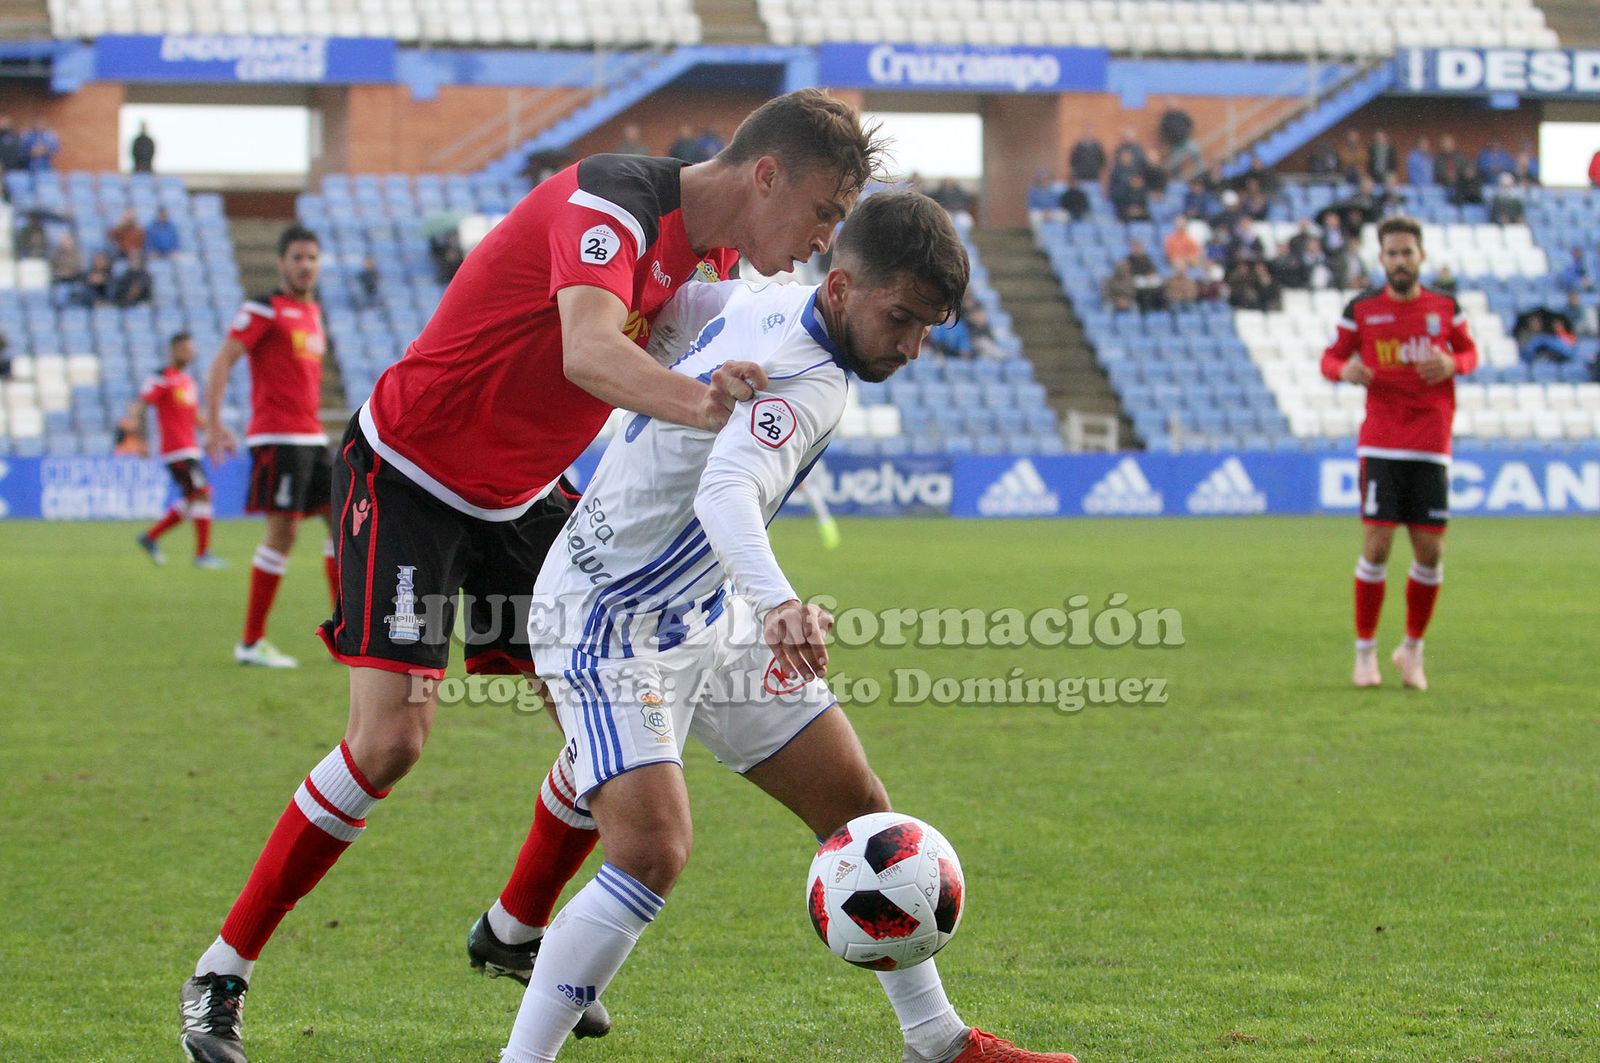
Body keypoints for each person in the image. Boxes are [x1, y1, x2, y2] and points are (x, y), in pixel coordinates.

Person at [177, 89, 886, 1063]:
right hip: (411, 474)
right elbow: (589, 349)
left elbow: (721, 333)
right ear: (766, 175)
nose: (818, 240)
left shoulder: (719, 262)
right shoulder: (612, 203)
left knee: (611, 745)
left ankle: (513, 928)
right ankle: (222, 969)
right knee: (387, 743)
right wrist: (698, 404)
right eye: (821, 213)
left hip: (521, 496)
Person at [494, 189, 1076, 1063]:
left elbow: (689, 305)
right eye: (902, 319)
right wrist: (778, 605)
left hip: (699, 608)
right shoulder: (803, 380)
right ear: (842, 288)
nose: (914, 347)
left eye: (931, 327)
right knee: (652, 848)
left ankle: (936, 1040)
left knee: (856, 804)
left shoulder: (768, 298)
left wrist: (655, 345)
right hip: (607, 615)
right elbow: (725, 490)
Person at [1320, 216, 1477, 691]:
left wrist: (1453, 362)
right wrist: (1343, 370)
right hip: (1382, 438)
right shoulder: (1361, 309)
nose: (1400, 261)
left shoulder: (1445, 308)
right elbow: (1329, 358)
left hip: (1431, 441)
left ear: (1421, 256)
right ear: (1381, 258)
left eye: (1407, 253)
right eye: (1392, 253)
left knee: (1430, 551)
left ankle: (1411, 650)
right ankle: (1364, 653)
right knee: (1377, 543)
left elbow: (1470, 354)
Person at [200, 224, 337, 671]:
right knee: (284, 532)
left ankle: (347, 633)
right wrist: (214, 422)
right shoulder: (263, 308)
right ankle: (251, 641)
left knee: (343, 525)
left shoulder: (314, 312)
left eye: (311, 258)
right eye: (297, 257)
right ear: (281, 263)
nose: (305, 265)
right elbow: (223, 360)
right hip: (278, 437)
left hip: (311, 436)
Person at [133, 332, 227, 569]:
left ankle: (151, 536)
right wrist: (139, 440)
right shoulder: (161, 378)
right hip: (176, 450)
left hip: (190, 449)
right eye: (185, 349)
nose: (190, 354)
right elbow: (140, 407)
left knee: (194, 497)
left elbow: (194, 415)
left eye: (191, 349)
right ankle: (202, 554)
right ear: (174, 351)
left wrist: (215, 432)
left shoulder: (187, 381)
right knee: (203, 493)